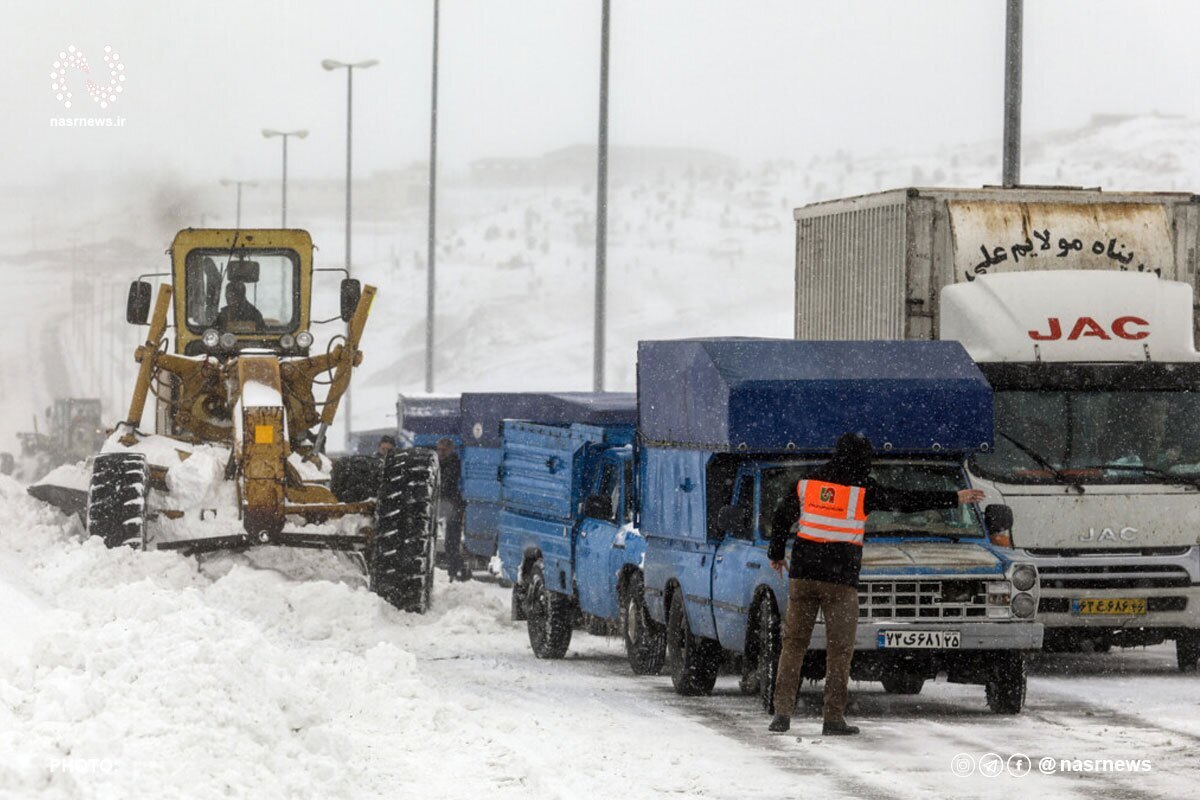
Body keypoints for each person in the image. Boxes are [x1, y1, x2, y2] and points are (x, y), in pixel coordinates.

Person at [766, 432, 985, 736]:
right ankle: (832, 719)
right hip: (840, 581)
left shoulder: (807, 483)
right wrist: (954, 498)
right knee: (839, 651)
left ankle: (782, 714)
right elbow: (906, 500)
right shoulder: (863, 489)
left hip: (803, 576)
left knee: (793, 646)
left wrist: (777, 554)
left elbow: (780, 518)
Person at [436, 438, 469, 581]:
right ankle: (456, 569)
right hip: (448, 504)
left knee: (452, 541)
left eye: (444, 450)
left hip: (453, 505)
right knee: (451, 541)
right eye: (439, 450)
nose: (441, 453)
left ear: (450, 450)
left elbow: (447, 484)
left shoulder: (453, 464)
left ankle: (455, 570)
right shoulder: (442, 464)